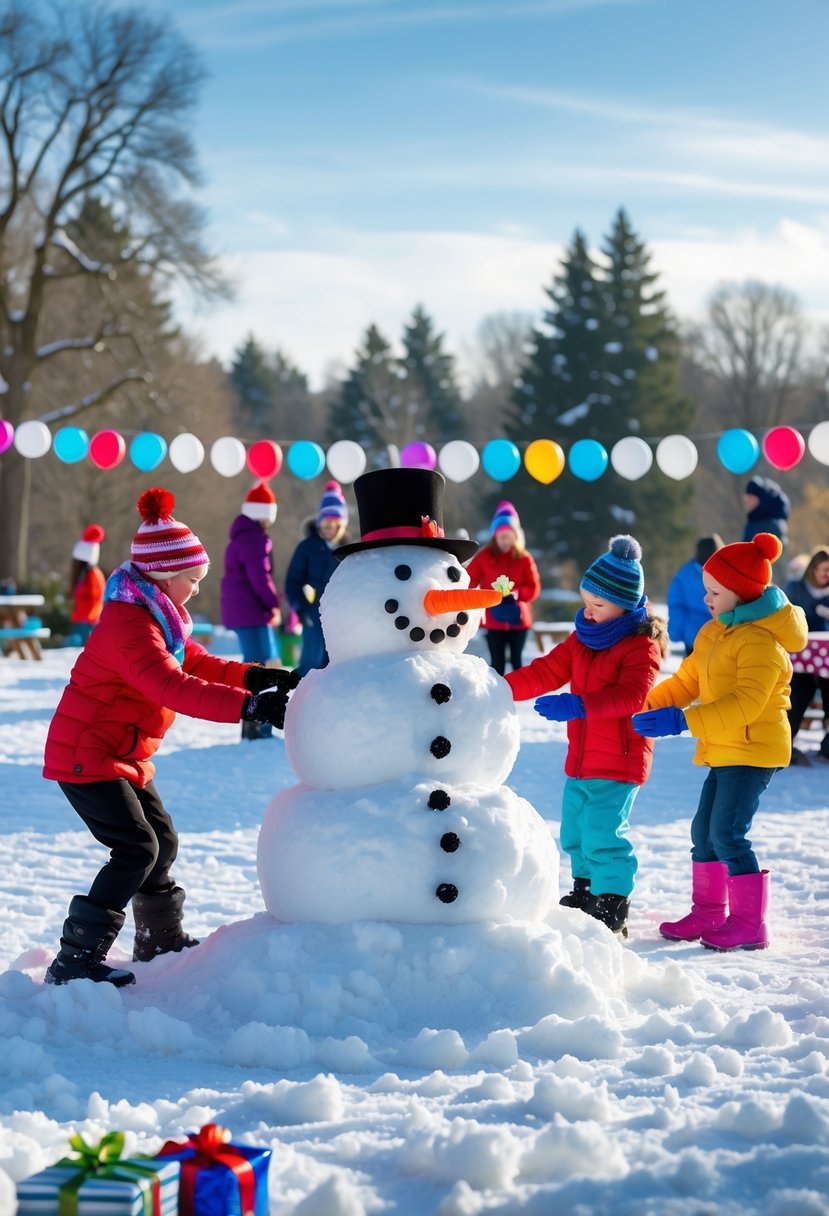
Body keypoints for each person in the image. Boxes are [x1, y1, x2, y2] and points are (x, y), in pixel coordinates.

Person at [42, 488, 299, 987]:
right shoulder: (129, 625)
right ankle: (74, 961)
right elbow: (172, 685)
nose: (198, 589)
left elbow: (196, 662)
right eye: (193, 579)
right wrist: (251, 709)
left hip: (119, 752)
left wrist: (259, 677)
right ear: (163, 573)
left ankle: (158, 940)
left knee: (161, 840)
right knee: (136, 848)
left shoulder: (156, 613)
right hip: (87, 756)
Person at [633, 533, 807, 952]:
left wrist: (682, 721)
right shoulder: (715, 633)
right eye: (705, 589)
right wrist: (643, 706)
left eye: (714, 591)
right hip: (727, 746)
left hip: (754, 747)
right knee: (704, 832)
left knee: (727, 833)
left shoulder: (761, 642)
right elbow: (686, 682)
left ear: (741, 593)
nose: (706, 598)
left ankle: (749, 923)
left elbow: (745, 704)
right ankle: (709, 912)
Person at [504, 535, 667, 939]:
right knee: (575, 830)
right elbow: (544, 670)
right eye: (586, 601)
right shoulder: (584, 638)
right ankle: (585, 890)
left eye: (599, 605)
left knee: (603, 832)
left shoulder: (640, 646)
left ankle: (613, 901)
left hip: (620, 758)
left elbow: (633, 695)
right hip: (582, 759)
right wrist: (496, 687)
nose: (589, 612)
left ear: (626, 605)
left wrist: (581, 705)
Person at [220, 482, 283, 740]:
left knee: (252, 667)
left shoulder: (241, 537)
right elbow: (260, 577)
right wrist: (273, 603)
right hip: (253, 612)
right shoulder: (254, 540)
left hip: (242, 612)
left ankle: (252, 724)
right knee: (262, 667)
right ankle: (259, 724)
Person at [465, 501, 541, 675]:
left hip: (519, 619)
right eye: (501, 536)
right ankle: (497, 697)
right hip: (493, 619)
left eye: (509, 536)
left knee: (516, 662)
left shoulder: (524, 558)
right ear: (495, 537)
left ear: (516, 536)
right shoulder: (484, 556)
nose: (505, 540)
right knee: (497, 663)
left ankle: (518, 696)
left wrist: (518, 594)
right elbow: (468, 580)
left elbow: (534, 587)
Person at [285, 480, 349, 677]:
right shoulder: (307, 547)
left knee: (334, 661)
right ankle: (300, 695)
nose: (329, 528)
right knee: (312, 662)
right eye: (325, 523)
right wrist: (299, 607)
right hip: (312, 612)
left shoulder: (347, 551)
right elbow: (293, 580)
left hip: (337, 615)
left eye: (334, 524)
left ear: (341, 525)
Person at [784, 545, 829, 764]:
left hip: (826, 660)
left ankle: (828, 746)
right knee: (797, 696)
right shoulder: (796, 588)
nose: (826, 575)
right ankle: (785, 743)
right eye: (823, 570)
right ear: (813, 569)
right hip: (799, 657)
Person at [667, 535, 724, 655]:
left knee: (692, 672)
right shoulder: (728, 572)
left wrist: (675, 632)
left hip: (693, 636)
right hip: (721, 636)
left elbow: (677, 606)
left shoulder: (684, 574)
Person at [69, 524, 107, 644]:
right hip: (85, 619)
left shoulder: (91, 575)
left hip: (88, 620)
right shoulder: (87, 575)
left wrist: (89, 616)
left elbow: (97, 597)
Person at [743, 476, 789, 554]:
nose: (745, 499)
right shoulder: (754, 520)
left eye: (750, 496)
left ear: (760, 499)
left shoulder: (773, 526)